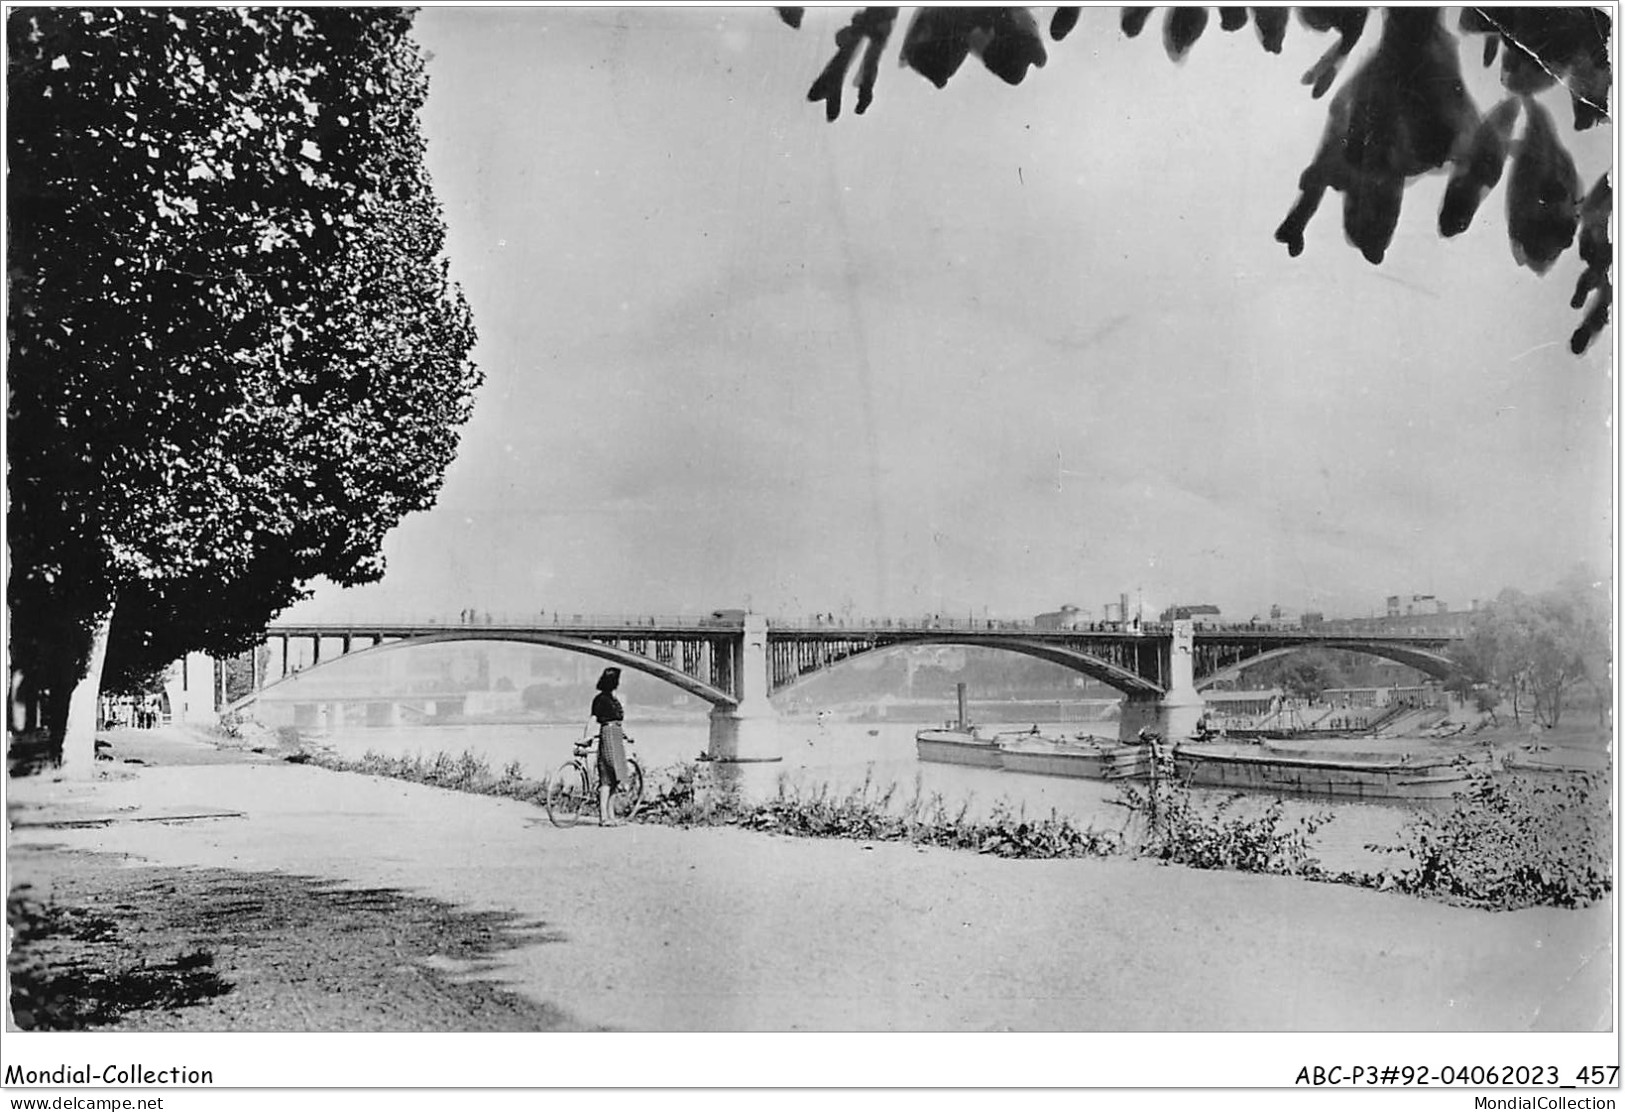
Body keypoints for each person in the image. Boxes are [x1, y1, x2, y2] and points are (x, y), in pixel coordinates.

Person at [587, 667, 631, 826]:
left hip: (615, 734)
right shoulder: (602, 699)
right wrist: (585, 736)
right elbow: (594, 719)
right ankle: (604, 816)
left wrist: (624, 735)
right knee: (610, 775)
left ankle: (609, 816)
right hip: (610, 735)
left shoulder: (611, 698)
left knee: (610, 779)